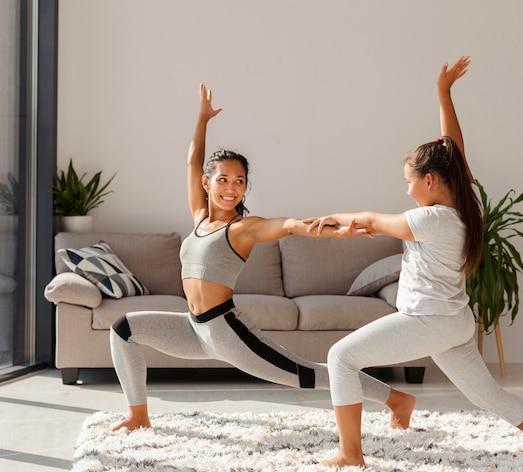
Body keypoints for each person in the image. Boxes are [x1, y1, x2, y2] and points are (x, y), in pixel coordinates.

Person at [307, 56, 523, 467]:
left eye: (408, 182)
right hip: (453, 321)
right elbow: (454, 150)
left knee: (340, 357)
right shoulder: (467, 208)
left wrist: (330, 220)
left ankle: (350, 454)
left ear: (430, 181)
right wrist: (444, 92)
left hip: (428, 321)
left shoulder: (430, 219)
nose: (407, 191)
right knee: (490, 396)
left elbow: (370, 220)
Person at [109, 83, 417, 432]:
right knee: (124, 329)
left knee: (305, 374)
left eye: (239, 181)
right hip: (194, 328)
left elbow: (289, 226)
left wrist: (338, 231)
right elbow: (193, 160)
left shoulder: (244, 229)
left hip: (227, 331)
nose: (231, 187)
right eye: (222, 179)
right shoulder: (199, 218)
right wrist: (203, 119)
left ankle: (396, 399)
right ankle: (138, 415)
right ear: (206, 184)